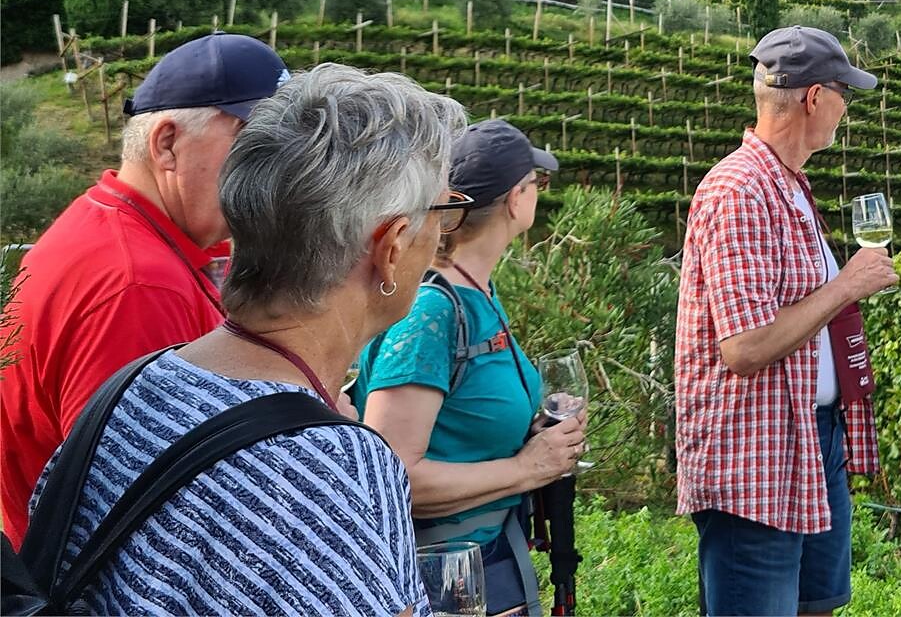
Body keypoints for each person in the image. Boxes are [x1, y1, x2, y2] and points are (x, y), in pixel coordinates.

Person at [25, 63, 468, 615]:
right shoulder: (333, 467)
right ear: (392, 245)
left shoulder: (134, 386)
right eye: (442, 215)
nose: (440, 238)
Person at [0, 32, 289, 544]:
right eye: (255, 145)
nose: (275, 171)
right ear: (168, 144)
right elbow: (147, 520)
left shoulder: (117, 226)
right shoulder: (139, 286)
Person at [675, 26, 898, 617]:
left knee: (817, 605)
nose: (846, 109)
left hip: (809, 440)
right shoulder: (740, 191)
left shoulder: (791, 187)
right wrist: (847, 284)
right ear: (814, 97)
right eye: (845, 93)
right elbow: (744, 348)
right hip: (756, 459)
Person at [363, 118, 584, 617]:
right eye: (537, 182)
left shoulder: (476, 294)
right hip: (444, 578)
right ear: (514, 199)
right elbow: (394, 474)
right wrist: (528, 468)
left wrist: (534, 433)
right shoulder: (432, 312)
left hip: (488, 562)